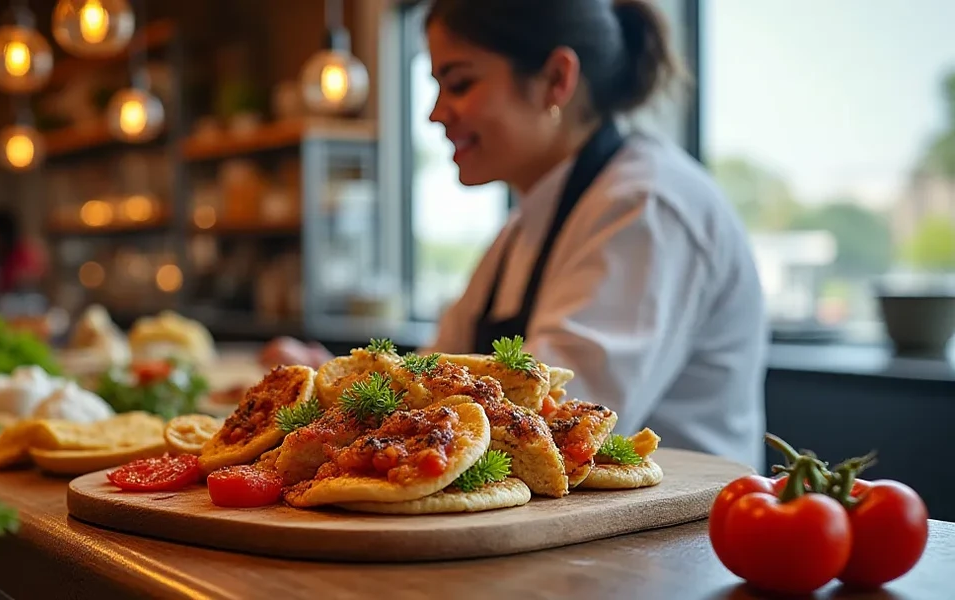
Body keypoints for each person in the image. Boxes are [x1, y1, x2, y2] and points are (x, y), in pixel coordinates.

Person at [264, 0, 767, 468]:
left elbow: (553, 423)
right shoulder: (529, 221)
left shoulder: (646, 207)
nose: (435, 113)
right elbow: (432, 379)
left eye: (458, 83)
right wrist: (334, 383)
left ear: (555, 79)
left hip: (679, 542)